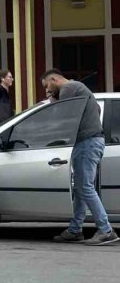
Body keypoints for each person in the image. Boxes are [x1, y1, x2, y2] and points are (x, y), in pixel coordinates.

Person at [42, 70, 119, 245]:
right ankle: (75, 230)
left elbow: (61, 117)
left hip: (87, 143)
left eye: (47, 86)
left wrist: (52, 99)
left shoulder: (68, 88)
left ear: (54, 79)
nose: (47, 90)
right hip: (88, 142)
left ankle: (106, 230)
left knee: (85, 187)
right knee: (80, 188)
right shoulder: (81, 89)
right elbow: (96, 109)